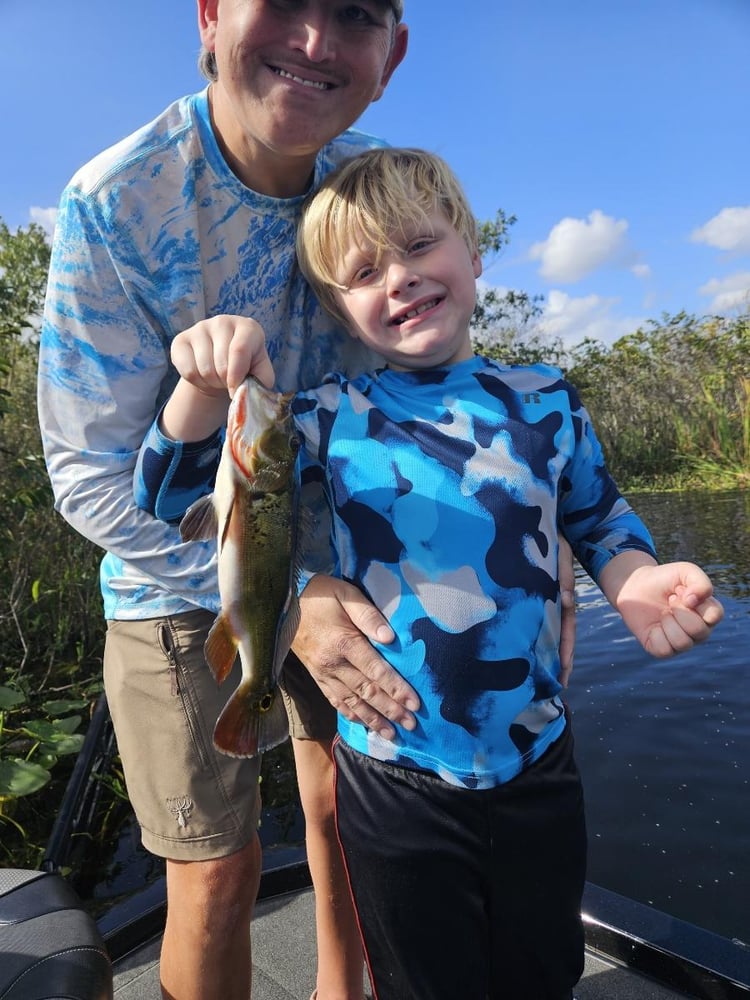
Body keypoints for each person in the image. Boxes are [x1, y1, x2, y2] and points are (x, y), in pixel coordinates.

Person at [138, 148, 724, 999]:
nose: (401, 278)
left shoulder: (547, 398)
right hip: (393, 776)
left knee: (542, 971)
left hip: (539, 763)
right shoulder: (330, 417)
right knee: (421, 982)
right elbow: (174, 491)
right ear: (340, 308)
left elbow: (598, 518)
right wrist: (199, 383)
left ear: (474, 252)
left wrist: (633, 582)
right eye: (365, 270)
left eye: (419, 245)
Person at [36, 4, 412, 999]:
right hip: (179, 572)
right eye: (283, 1)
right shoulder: (117, 202)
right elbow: (86, 476)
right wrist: (278, 608)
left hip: (339, 570)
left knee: (348, 824)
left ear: (394, 55)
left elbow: (420, 389)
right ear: (210, 14)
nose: (316, 41)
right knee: (215, 869)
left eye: (356, 15)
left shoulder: (381, 191)